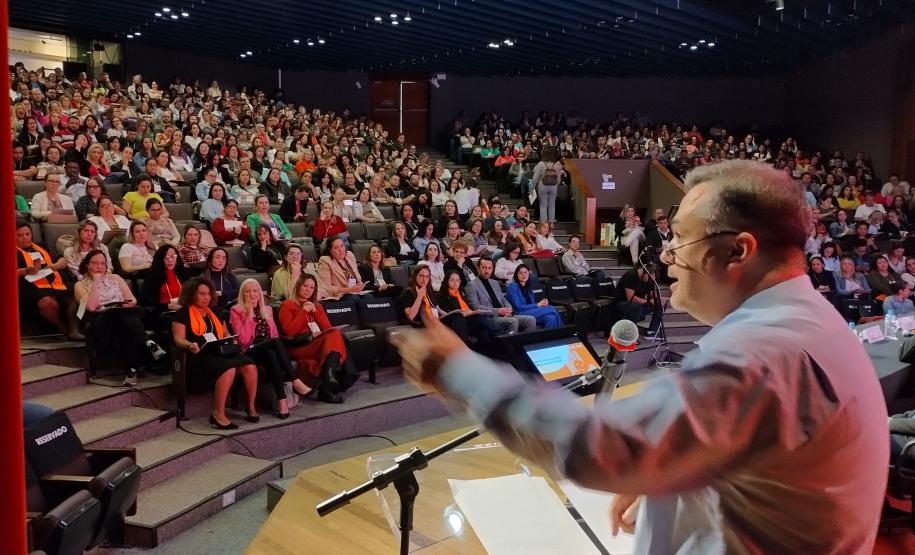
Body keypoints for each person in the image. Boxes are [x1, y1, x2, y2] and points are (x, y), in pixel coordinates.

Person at [392, 160, 888, 554]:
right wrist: (672, 479)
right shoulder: (808, 321)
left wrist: (457, 370)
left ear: (739, 252)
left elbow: (598, 447)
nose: (665, 254)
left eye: (680, 238)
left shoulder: (762, 354)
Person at [172, 278, 260, 429]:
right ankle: (218, 414)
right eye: (201, 294)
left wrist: (231, 339)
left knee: (250, 364)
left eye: (208, 294)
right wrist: (189, 344)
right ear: (192, 294)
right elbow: (178, 339)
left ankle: (251, 406)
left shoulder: (216, 311)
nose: (206, 297)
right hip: (198, 355)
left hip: (219, 352)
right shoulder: (182, 313)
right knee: (228, 368)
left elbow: (225, 332)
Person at [230, 279, 312, 419]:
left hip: (268, 347)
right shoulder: (236, 310)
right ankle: (295, 380)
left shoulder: (267, 309)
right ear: (242, 294)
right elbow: (243, 340)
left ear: (260, 293)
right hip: (250, 349)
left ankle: (282, 403)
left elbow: (273, 334)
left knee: (272, 353)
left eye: (255, 291)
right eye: (247, 291)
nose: (252, 294)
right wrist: (250, 314)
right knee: (274, 343)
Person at [75, 249, 157, 386]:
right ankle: (147, 342)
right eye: (95, 263)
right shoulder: (80, 285)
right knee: (116, 315)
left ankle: (131, 371)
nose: (99, 267)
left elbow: (132, 300)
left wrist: (123, 306)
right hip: (101, 320)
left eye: (102, 263)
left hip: (123, 316)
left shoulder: (116, 278)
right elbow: (91, 307)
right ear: (86, 265)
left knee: (128, 319)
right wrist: (96, 282)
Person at [278, 274, 348, 403]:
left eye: (311, 287)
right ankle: (329, 380)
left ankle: (327, 384)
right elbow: (290, 332)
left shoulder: (317, 306)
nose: (308, 290)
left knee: (334, 334)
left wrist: (315, 311)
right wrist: (304, 311)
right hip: (299, 345)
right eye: (305, 286)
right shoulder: (287, 305)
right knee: (334, 337)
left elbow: (328, 328)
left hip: (317, 343)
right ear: (298, 286)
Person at [15, 221, 82, 339]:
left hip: (56, 281)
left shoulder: (41, 246)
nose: (25, 238)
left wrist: (58, 264)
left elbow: (62, 259)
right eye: (20, 236)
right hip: (30, 286)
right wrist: (26, 270)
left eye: (27, 234)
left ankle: (76, 327)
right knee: (47, 302)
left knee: (81, 295)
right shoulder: (10, 251)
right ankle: (62, 327)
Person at [465, 257, 536, 334]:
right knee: (512, 321)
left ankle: (525, 344)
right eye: (484, 268)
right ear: (478, 268)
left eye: (489, 268)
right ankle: (512, 345)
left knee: (531, 319)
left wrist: (508, 309)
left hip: (504, 314)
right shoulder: (472, 285)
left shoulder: (495, 283)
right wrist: (498, 311)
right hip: (490, 317)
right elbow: (476, 307)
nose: (487, 271)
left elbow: (503, 299)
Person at [398, 264, 468, 340]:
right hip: (422, 323)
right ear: (415, 276)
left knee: (457, 317)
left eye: (426, 276)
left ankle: (462, 345)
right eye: (421, 276)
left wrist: (451, 314)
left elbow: (438, 310)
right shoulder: (408, 292)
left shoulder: (428, 291)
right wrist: (419, 296)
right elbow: (411, 316)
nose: (424, 279)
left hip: (435, 320)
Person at [139, 244, 189, 325]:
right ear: (160, 259)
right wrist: (167, 306)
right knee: (182, 320)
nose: (170, 260)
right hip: (162, 312)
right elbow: (145, 300)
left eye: (173, 257)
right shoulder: (152, 274)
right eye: (166, 257)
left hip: (183, 310)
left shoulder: (183, 273)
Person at [505, 263, 562, 328]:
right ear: (516, 275)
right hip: (519, 313)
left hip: (530, 312)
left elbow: (532, 305)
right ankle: (563, 332)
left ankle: (551, 337)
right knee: (552, 308)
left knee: (551, 317)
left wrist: (542, 304)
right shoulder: (512, 286)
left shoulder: (528, 287)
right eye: (520, 273)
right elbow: (518, 307)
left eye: (525, 272)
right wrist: (537, 305)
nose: (523, 275)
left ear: (529, 274)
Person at [615, 264, 662, 338]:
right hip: (623, 303)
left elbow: (653, 294)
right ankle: (629, 334)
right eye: (650, 278)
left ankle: (651, 332)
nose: (651, 281)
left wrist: (658, 299)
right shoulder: (631, 276)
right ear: (645, 273)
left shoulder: (650, 279)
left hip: (639, 304)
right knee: (636, 306)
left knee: (660, 305)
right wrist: (649, 301)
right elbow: (631, 298)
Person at [200, 247, 240, 315]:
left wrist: (221, 293)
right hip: (210, 310)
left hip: (230, 308)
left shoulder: (229, 275)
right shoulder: (203, 278)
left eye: (224, 258)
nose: (221, 261)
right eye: (217, 257)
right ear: (211, 259)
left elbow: (238, 291)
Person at [531, 145, 563, 223]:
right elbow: (559, 179)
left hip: (542, 185)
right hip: (553, 186)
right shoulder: (556, 165)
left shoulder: (541, 164)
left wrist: (532, 187)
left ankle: (544, 223)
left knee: (543, 205)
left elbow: (535, 178)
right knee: (552, 205)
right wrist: (556, 185)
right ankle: (551, 222)